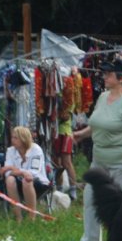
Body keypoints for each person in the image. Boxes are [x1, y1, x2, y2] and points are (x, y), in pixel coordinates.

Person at [73, 59, 122, 241]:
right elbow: (97, 124)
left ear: (121, 78)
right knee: (90, 198)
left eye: (109, 74)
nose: (104, 76)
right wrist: (80, 135)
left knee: (118, 206)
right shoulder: (103, 97)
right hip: (99, 161)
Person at [0, 126, 50, 223]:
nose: (12, 140)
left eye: (15, 138)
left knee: (26, 181)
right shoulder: (10, 151)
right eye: (12, 137)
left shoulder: (36, 150)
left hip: (38, 183)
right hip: (19, 181)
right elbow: (6, 172)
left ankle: (31, 218)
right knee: (9, 180)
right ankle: (18, 217)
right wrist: (21, 172)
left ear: (23, 139)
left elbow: (33, 173)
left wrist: (13, 169)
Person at [52, 70, 78, 201]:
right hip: (56, 132)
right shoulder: (56, 92)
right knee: (57, 163)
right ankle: (59, 188)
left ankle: (73, 188)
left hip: (65, 132)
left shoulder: (69, 95)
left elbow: (66, 115)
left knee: (66, 162)